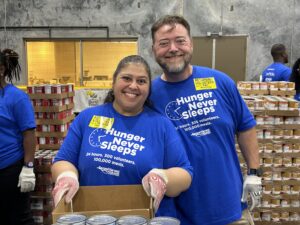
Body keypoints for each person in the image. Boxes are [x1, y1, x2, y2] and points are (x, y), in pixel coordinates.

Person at [150, 15, 262, 225]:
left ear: (191, 44)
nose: (173, 48)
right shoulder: (149, 95)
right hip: (176, 214)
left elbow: (245, 126)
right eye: (164, 43)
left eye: (180, 41)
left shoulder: (220, 82)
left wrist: (254, 172)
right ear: (153, 49)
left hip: (229, 207)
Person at [51, 55, 193, 216]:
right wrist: (66, 176)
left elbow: (185, 174)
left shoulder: (161, 125)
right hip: (92, 216)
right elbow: (63, 160)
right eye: (126, 78)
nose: (133, 86)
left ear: (148, 88)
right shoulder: (87, 118)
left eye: (141, 81)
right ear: (114, 82)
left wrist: (163, 177)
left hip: (145, 218)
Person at [0, 49, 36, 225]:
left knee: (17, 218)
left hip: (9, 168)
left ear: (1, 70)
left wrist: (28, 168)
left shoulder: (16, 98)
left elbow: (29, 134)